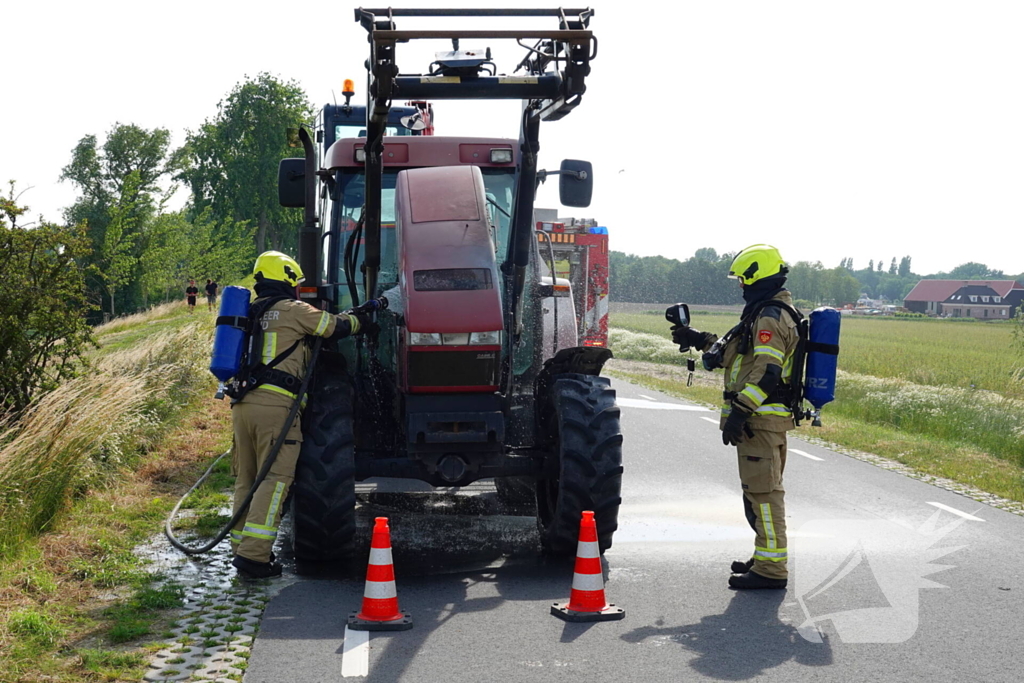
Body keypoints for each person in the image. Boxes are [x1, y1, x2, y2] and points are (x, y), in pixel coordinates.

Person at [229, 251, 368, 578]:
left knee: (246, 478)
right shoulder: (293, 310)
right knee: (275, 479)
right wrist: (362, 317)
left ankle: (240, 548)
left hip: (243, 406)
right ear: (287, 279)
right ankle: (255, 557)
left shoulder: (250, 312)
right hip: (276, 407)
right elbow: (333, 327)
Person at [671, 244, 800, 590]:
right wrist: (697, 339)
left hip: (760, 420)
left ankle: (772, 569)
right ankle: (764, 557)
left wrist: (739, 413)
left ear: (758, 276)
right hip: (760, 421)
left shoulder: (771, 317)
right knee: (756, 491)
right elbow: (735, 355)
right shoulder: (763, 312)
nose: (741, 287)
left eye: (743, 279)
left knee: (765, 495)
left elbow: (767, 372)